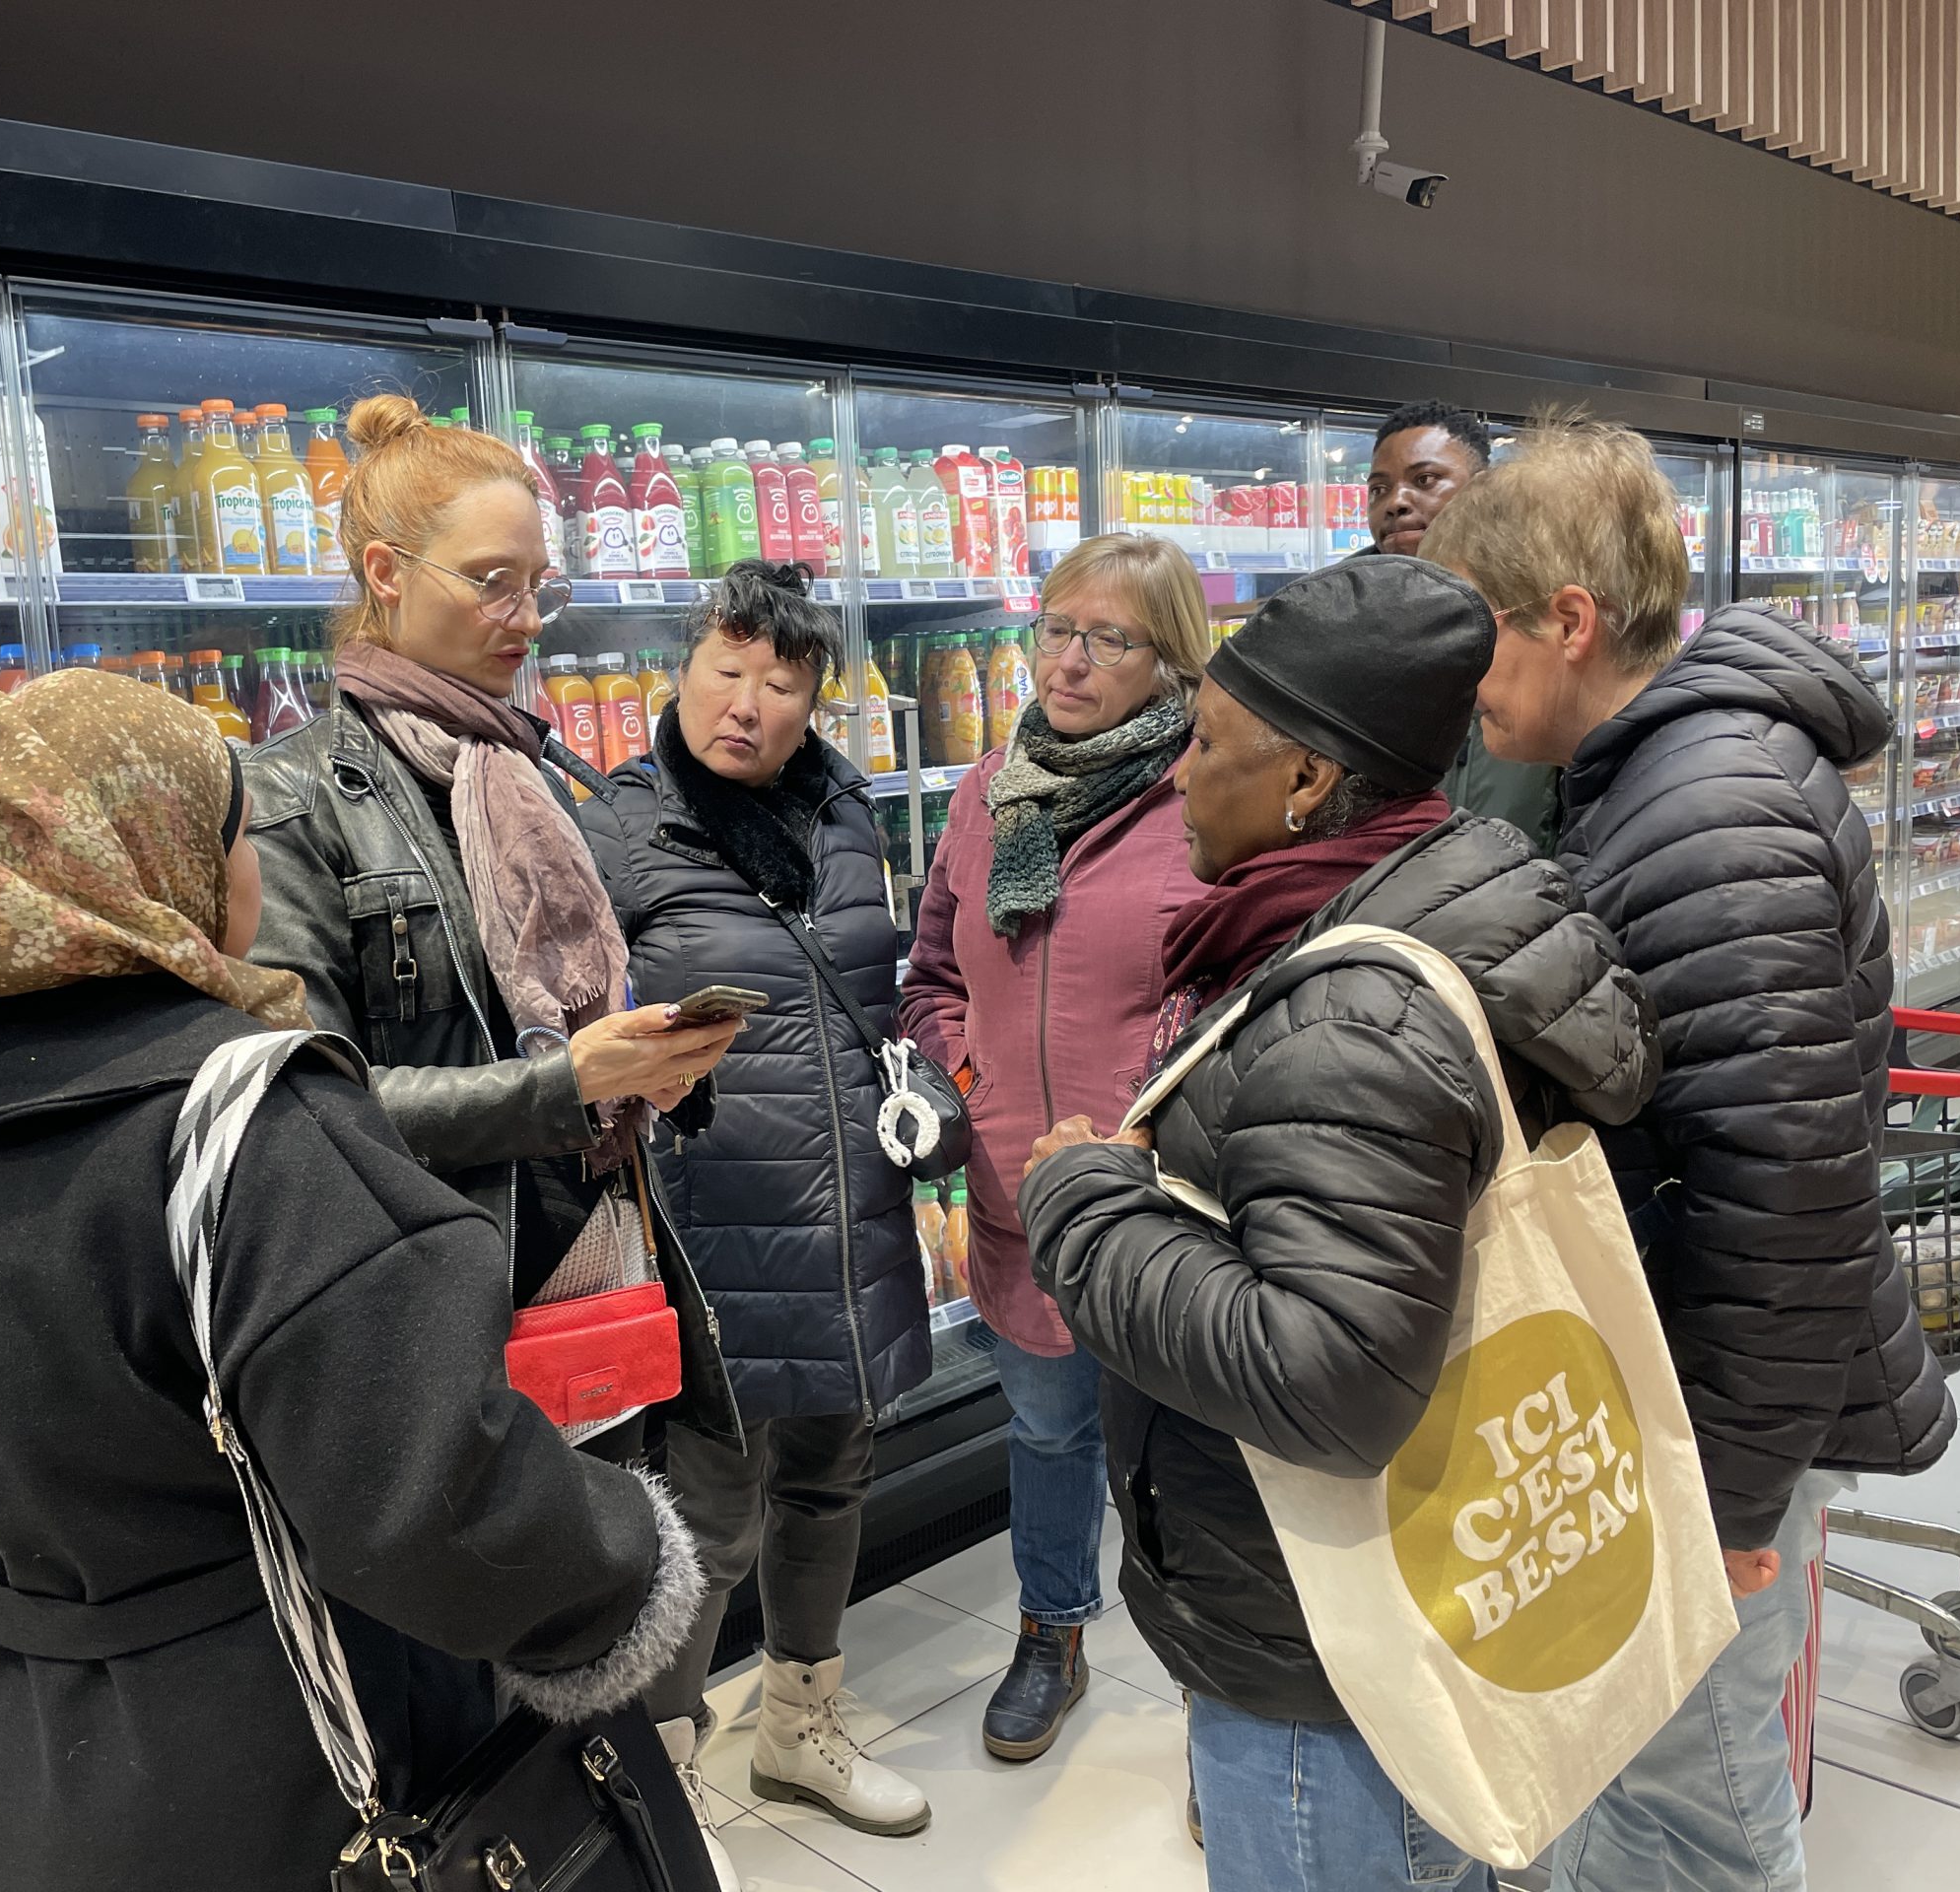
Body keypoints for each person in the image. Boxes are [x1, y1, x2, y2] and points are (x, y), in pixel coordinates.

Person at [0, 670, 710, 1891]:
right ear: (151, 859)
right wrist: (621, 1568)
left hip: (6, 1737)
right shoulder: (244, 1123)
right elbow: (433, 1499)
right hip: (277, 1752)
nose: (259, 880)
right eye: (235, 839)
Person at [1016, 556, 1657, 1892]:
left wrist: (1084, 1201)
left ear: (1308, 780)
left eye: (1206, 745)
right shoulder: (1454, 892)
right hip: (1450, 1591)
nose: (1177, 776)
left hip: (1333, 1660)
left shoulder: (1350, 1015)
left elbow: (1328, 1379)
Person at [1423, 418, 1954, 1892]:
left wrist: (1719, 1508)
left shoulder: (1711, 808)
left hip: (1721, 1429)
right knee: (1650, 1800)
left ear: (1569, 622)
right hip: (1688, 1403)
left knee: (1697, 1819)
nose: (1465, 686)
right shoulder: (1663, 778)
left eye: (1480, 638)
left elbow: (1787, 1202)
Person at [243, 395, 741, 1458]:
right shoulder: (296, 799)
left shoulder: (517, 771)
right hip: (428, 1308)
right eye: (489, 582)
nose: (522, 616)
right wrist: (568, 1086)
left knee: (608, 1589)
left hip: (587, 1262)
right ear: (386, 574)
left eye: (536, 587)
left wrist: (650, 1065)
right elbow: (300, 1110)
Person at [577, 560, 933, 1881]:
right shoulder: (618, 826)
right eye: (727, 669)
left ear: (813, 699)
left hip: (846, 1206)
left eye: (781, 682)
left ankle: (802, 1724)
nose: (747, 703)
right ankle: (665, 1794)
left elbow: (878, 983)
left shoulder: (843, 806)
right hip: (707, 1222)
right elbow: (572, 1039)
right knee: (707, 1521)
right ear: (684, 669)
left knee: (831, 1477)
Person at [898, 531, 1211, 1762]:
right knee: (1046, 1434)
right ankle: (1052, 1631)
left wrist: (1141, 1108)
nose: (1069, 660)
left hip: (1157, 1200)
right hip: (1014, 1194)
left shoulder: (1205, 787)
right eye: (1055, 629)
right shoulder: (987, 791)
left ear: (1169, 656)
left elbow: (1235, 981)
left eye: (1109, 637)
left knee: (1186, 1459)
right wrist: (969, 1083)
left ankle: (1213, 1694)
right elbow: (931, 972)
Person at [1365, 397, 1561, 851]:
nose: (1395, 503)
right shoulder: (1345, 630)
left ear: (1482, 489)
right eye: (1378, 489)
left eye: (1424, 480)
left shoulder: (1543, 620)